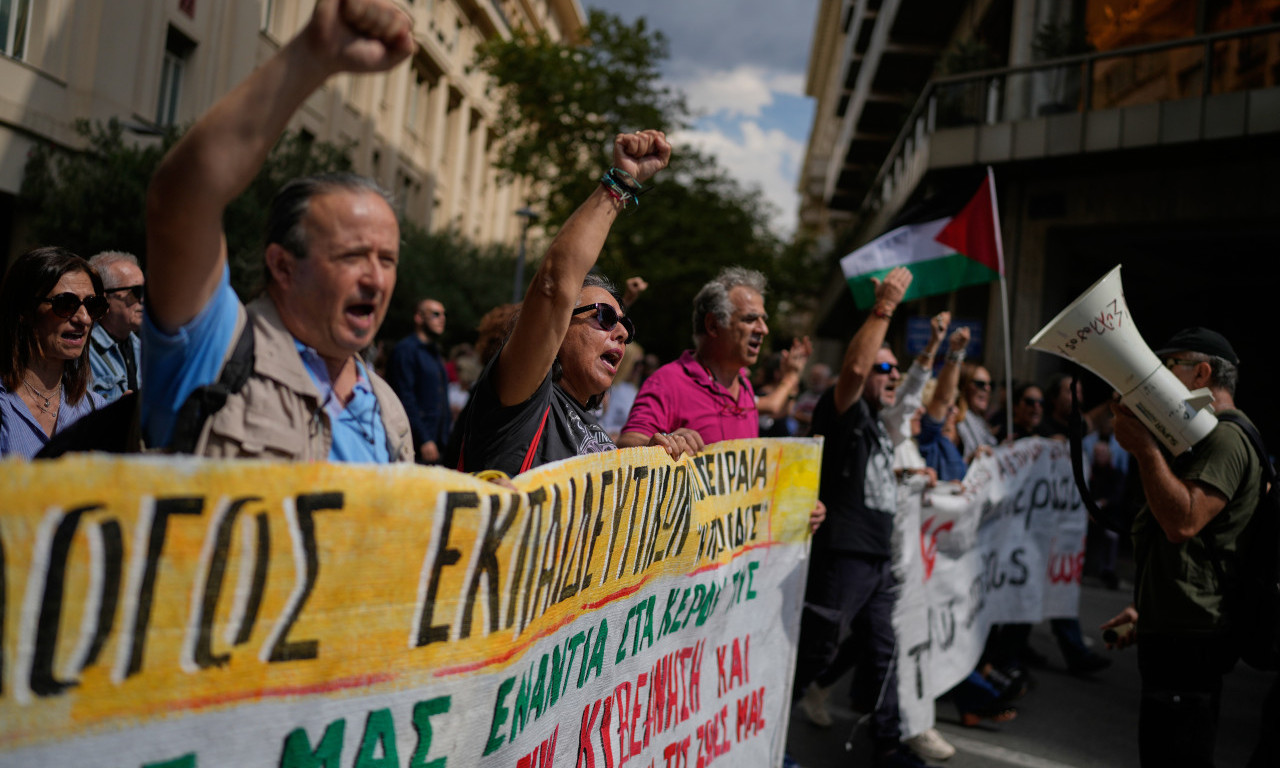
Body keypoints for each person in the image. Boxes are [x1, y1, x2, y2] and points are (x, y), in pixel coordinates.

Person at [142, 0, 415, 461]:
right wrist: (312, 56)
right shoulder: (216, 349)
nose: (375, 278)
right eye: (352, 256)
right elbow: (180, 200)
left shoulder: (388, 411)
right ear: (283, 266)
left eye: (386, 259)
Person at [450, 130, 681, 476]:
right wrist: (620, 183)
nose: (620, 332)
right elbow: (554, 284)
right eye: (604, 316)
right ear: (558, 328)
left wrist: (648, 461)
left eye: (624, 325)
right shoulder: (522, 402)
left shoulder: (595, 428)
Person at [794, 266, 934, 768]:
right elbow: (852, 371)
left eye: (895, 368)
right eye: (884, 368)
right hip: (844, 556)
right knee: (816, 652)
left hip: (878, 561)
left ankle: (888, 743)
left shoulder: (879, 423)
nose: (892, 374)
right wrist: (884, 308)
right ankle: (763, 732)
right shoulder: (844, 412)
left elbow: (916, 390)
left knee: (883, 650)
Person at [1101, 327, 1259, 768]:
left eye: (1170, 367)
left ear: (1203, 372)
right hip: (1176, 628)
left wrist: (1145, 449)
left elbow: (1184, 522)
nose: (1162, 377)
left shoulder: (1226, 439)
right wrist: (1145, 610)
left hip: (1192, 639)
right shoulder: (1208, 437)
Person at [617, 267, 810, 451]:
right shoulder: (668, 381)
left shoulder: (742, 382)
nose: (763, 330)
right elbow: (627, 442)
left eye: (763, 320)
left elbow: (774, 406)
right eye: (750, 319)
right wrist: (666, 443)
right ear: (712, 325)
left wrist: (792, 376)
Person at [0, 247, 109, 458]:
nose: (84, 319)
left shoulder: (96, 409)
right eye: (66, 304)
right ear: (25, 311)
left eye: (93, 305)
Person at [387, 298, 451, 463]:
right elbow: (404, 397)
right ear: (419, 318)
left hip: (438, 445)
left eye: (444, 314)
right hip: (415, 444)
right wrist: (424, 438)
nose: (442, 318)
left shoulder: (434, 353)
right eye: (436, 314)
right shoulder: (406, 350)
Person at [86, 251, 144, 402]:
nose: (143, 299)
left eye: (146, 290)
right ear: (105, 298)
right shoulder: (80, 353)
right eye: (136, 292)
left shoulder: (146, 350)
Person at [955, 362, 996, 460]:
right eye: (980, 384)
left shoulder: (981, 421)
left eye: (990, 385)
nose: (987, 389)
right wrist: (970, 459)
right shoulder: (955, 419)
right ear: (964, 385)